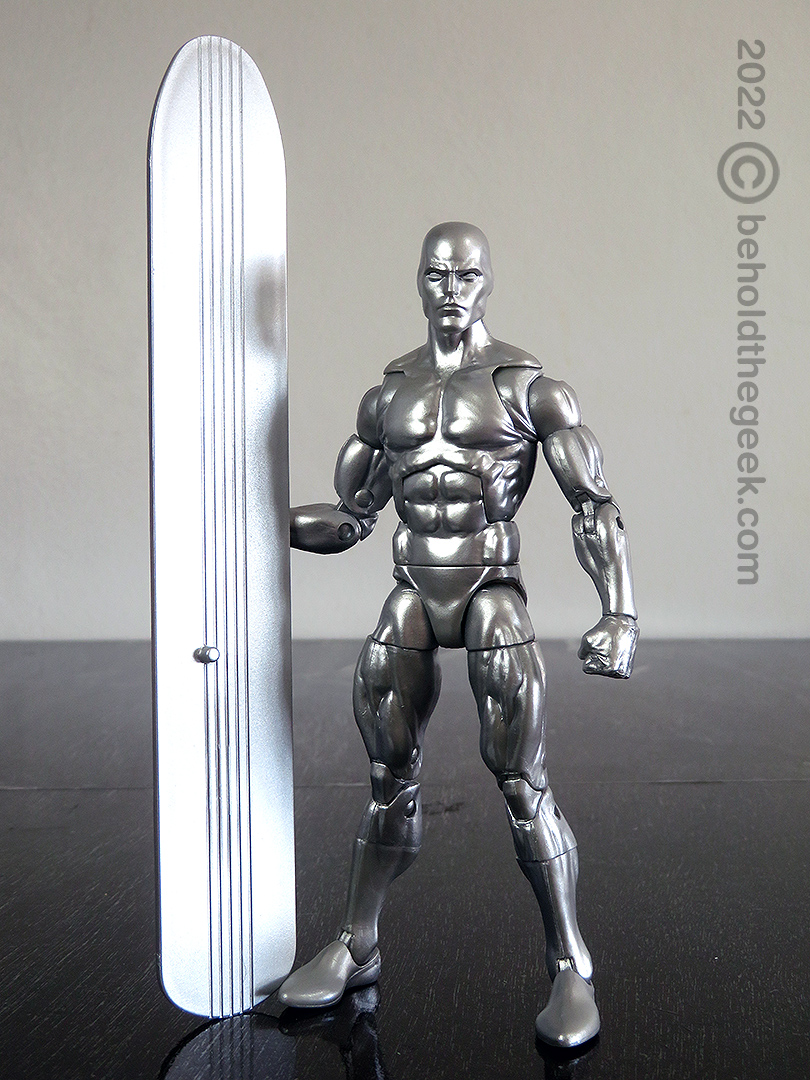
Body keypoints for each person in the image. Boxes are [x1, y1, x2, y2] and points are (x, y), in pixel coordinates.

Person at [281, 222, 638, 1047]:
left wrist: (619, 612)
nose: (451, 289)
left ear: (487, 282)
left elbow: (593, 505)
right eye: (437, 274)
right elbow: (352, 517)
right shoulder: (388, 396)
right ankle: (357, 944)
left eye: (466, 274)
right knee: (387, 775)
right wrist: (253, 522)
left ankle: (570, 964)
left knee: (521, 783)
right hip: (412, 589)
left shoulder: (529, 390)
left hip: (490, 591)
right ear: (418, 281)